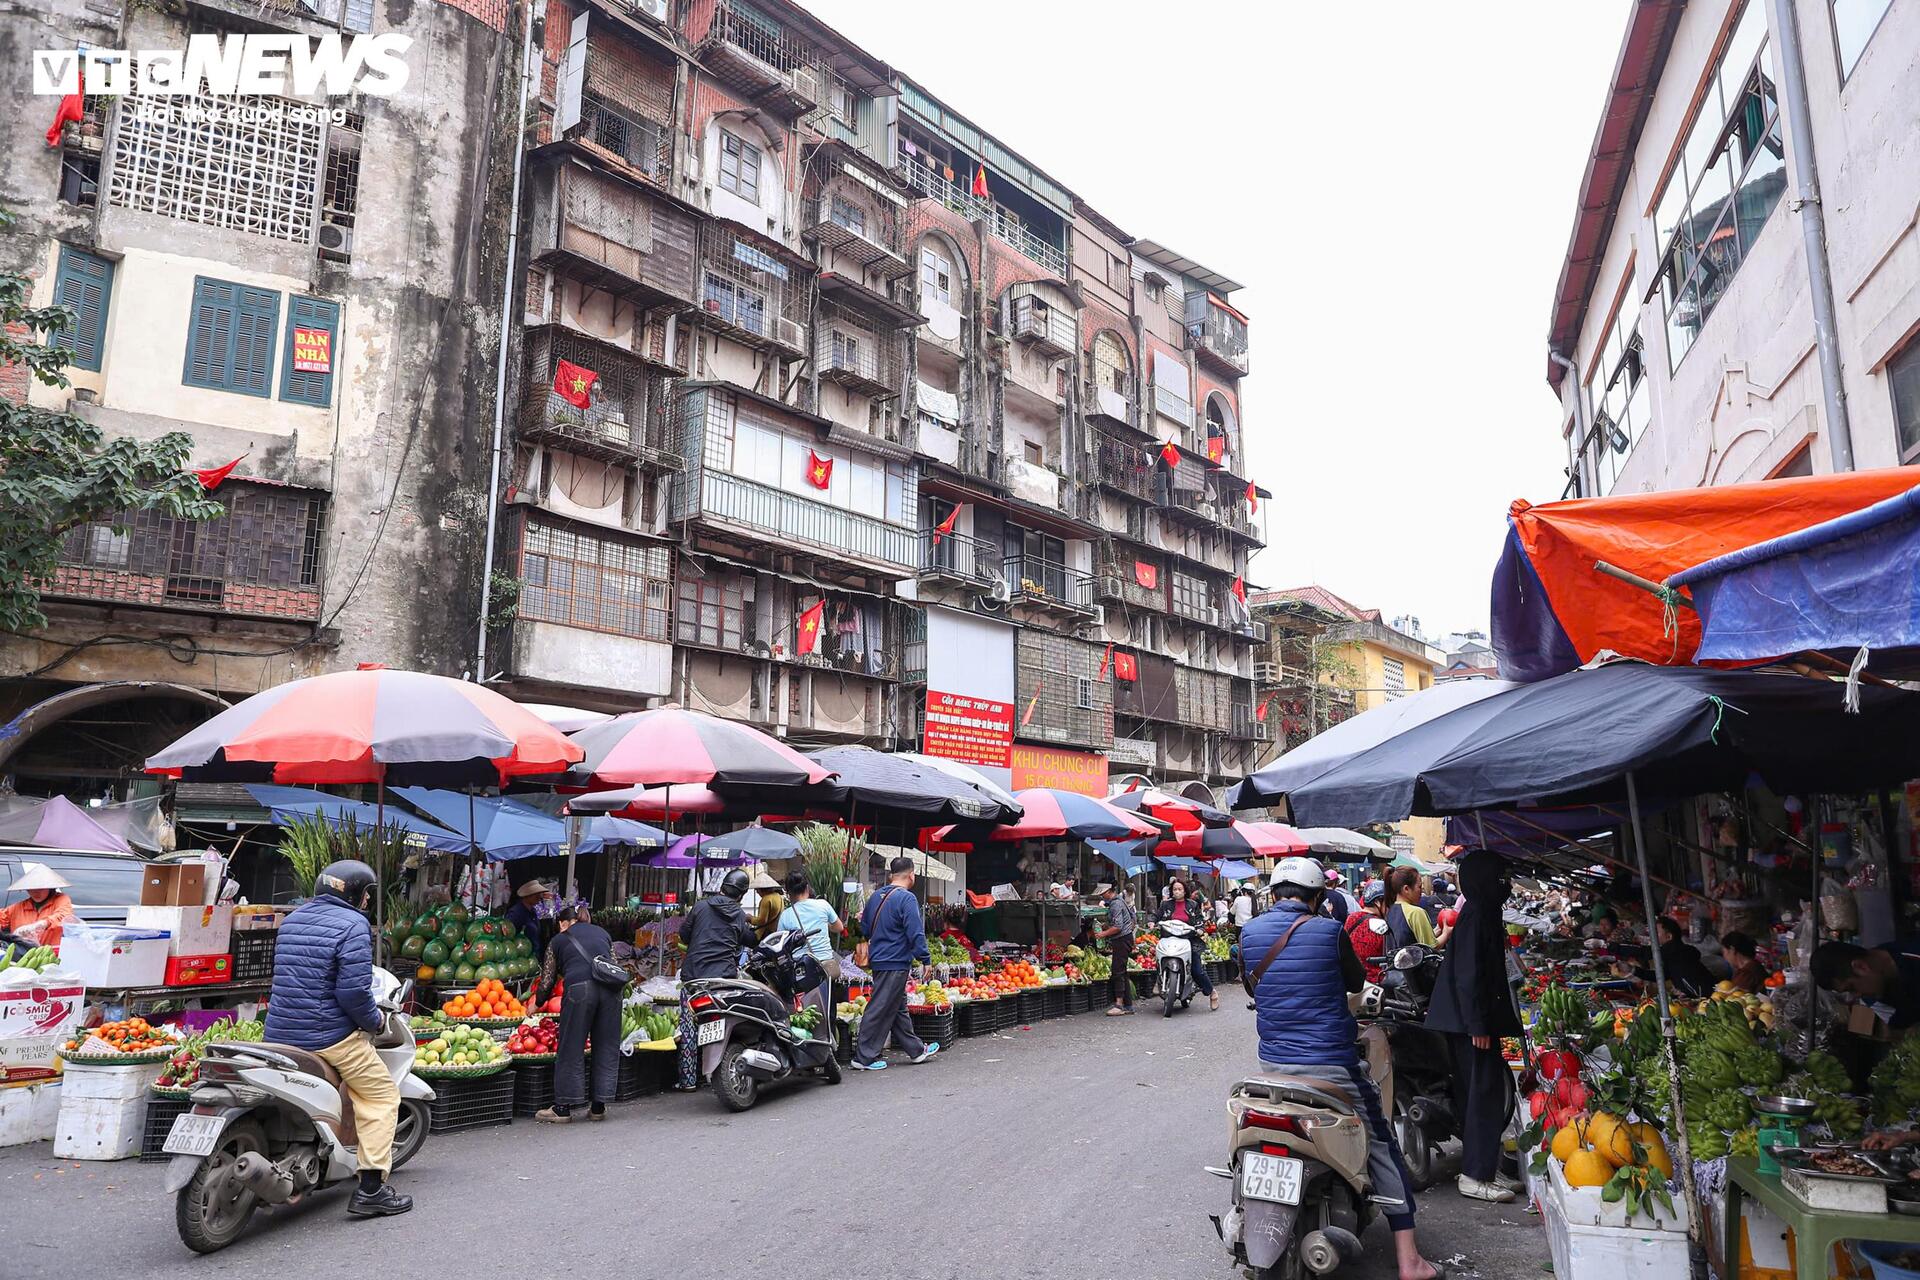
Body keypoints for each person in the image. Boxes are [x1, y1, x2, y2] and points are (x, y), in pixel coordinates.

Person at [1243, 857, 1439, 1280]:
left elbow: (1253, 986)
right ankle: (1410, 1261)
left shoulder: (1249, 932)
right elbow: (1353, 983)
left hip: (1271, 1066)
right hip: (1331, 1067)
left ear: (1274, 894)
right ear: (1317, 897)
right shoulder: (1330, 931)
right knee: (1382, 1142)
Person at [263, 859, 410, 1218]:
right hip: (328, 1038)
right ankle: (371, 1190)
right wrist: (375, 1021)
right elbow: (353, 992)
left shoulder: (293, 919)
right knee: (380, 1096)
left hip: (278, 1033)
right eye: (367, 895)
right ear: (357, 894)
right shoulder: (353, 924)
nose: (367, 901)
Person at [1422, 850, 1524, 1204]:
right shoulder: (1478, 914)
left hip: (1470, 1019)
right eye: (1500, 878)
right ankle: (1475, 1176)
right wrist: (1477, 1025)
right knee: (1483, 1096)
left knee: (1482, 1094)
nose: (1505, 885)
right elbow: (1470, 975)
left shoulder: (1483, 910)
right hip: (1470, 1022)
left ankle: (1484, 1167)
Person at [532, 905, 618, 1123]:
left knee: (571, 1045)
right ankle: (598, 1107)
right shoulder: (603, 934)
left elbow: (548, 979)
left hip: (580, 990)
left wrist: (537, 1003)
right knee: (606, 1045)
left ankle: (562, 1108)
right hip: (611, 993)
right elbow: (613, 965)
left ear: (563, 923)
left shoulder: (558, 940)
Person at [674, 868, 757, 1090]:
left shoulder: (700, 907)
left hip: (694, 978)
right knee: (727, 1022)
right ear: (741, 894)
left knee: (689, 1028)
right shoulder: (739, 915)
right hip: (723, 979)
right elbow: (750, 940)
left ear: (722, 887)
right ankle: (722, 1069)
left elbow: (684, 935)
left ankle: (688, 1081)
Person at [853, 856, 938, 1070]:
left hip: (880, 959)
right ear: (911, 875)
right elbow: (915, 932)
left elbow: (865, 928)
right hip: (895, 961)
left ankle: (916, 1051)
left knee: (897, 1007)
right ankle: (863, 1057)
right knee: (879, 1007)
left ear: (892, 875)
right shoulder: (907, 898)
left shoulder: (875, 896)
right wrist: (925, 958)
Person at [1813, 940, 1920, 1031]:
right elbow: (1902, 1024)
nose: (1856, 995)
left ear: (1861, 967)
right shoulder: (1872, 999)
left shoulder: (1913, 953)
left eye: (1852, 988)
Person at [777, 871, 842, 1021]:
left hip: (802, 970)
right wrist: (825, 926)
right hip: (825, 966)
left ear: (788, 893)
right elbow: (839, 927)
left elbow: (781, 944)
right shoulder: (822, 905)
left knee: (805, 1010)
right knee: (828, 1007)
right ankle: (830, 1031)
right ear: (807, 887)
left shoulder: (786, 915)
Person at [1156, 879, 1219, 1011]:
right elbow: (1156, 916)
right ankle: (1158, 982)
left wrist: (1200, 929)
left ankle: (1212, 993)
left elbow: (1199, 920)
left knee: (1197, 970)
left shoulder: (1193, 905)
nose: (1177, 892)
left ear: (1185, 891)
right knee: (1157, 958)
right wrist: (1151, 922)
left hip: (1188, 940)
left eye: (1180, 889)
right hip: (1169, 938)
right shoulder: (1165, 904)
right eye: (1174, 889)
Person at [1623, 916, 1716, 998]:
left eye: (1656, 932)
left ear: (1669, 936)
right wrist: (1633, 970)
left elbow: (1645, 953)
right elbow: (1660, 976)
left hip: (1709, 997)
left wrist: (1617, 948)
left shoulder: (1676, 950)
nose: (1652, 936)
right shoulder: (1671, 956)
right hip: (1699, 997)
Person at [0, 862, 75, 948]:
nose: (36, 892)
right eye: (31, 889)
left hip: (52, 953)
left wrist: (41, 924)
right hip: (24, 953)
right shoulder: (18, 907)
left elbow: (63, 916)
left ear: (50, 888)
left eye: (40, 889)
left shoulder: (61, 899)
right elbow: (2, 917)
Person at [1096, 881, 1137, 1016]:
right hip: (1125, 938)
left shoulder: (1116, 904)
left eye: (1103, 894)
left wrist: (1103, 934)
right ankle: (1128, 1005)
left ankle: (1119, 1005)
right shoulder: (1119, 901)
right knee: (1122, 972)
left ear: (1109, 892)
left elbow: (1118, 926)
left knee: (1117, 971)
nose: (1102, 896)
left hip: (1122, 939)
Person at [1345, 880, 1391, 983]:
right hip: (1376, 980)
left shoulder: (1351, 918)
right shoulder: (1381, 925)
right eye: (1387, 903)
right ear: (1377, 902)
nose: (1389, 908)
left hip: (1355, 978)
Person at [504, 879, 555, 962]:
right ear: (527, 896)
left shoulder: (532, 911)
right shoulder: (516, 913)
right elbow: (507, 934)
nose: (539, 896)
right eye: (536, 894)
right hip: (521, 959)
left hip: (533, 957)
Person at [1386, 867, 1438, 949]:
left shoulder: (1389, 911)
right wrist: (1446, 933)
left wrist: (1439, 929)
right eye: (1419, 887)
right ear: (1406, 889)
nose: (1422, 890)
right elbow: (1431, 948)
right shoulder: (1416, 912)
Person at [746, 869, 788, 941]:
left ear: (762, 889)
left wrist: (750, 918)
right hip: (775, 933)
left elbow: (762, 921)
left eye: (757, 890)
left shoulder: (766, 899)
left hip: (763, 935)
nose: (757, 893)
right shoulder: (778, 896)